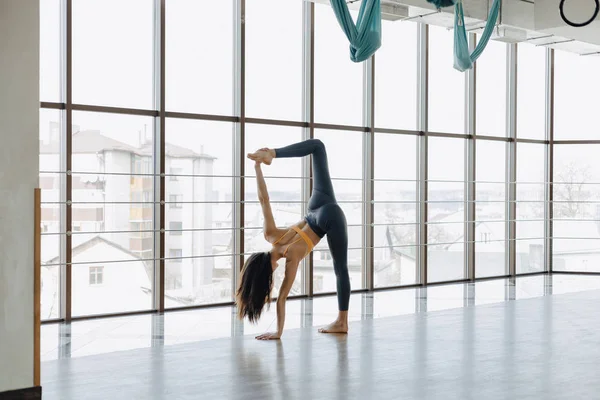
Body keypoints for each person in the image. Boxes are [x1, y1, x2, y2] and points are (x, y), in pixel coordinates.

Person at [236, 139, 350, 340]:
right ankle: (273, 152)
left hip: (329, 219)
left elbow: (281, 299)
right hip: (316, 206)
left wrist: (278, 333)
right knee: (318, 147)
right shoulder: (270, 234)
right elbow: (264, 200)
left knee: (341, 269)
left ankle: (342, 322)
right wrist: (257, 168)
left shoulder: (291, 258)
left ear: (266, 273)